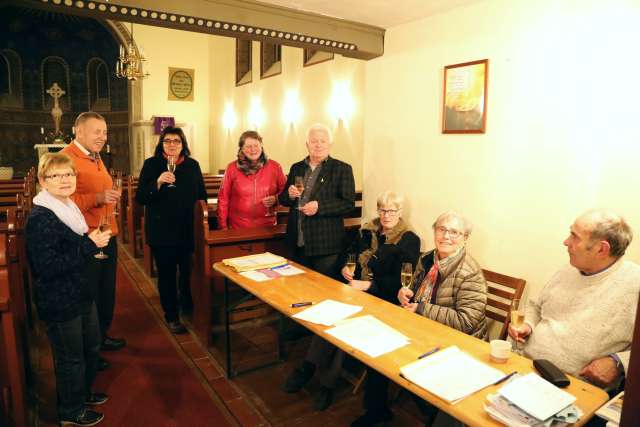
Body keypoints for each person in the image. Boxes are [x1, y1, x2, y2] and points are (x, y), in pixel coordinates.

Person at [282, 191, 420, 411]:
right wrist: (346, 265)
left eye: (392, 210)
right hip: (353, 290)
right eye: (382, 209)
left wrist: (369, 286)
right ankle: (307, 368)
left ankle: (326, 384)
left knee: (346, 326)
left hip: (381, 298)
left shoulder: (409, 240)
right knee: (328, 318)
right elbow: (349, 252)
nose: (386, 215)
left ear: (400, 212)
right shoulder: (367, 230)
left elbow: (403, 280)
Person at [352, 211, 487, 427]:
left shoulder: (469, 272)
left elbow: (467, 321)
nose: (446, 236)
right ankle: (376, 410)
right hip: (422, 327)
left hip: (456, 341)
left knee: (413, 365)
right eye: (441, 229)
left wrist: (421, 308)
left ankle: (433, 415)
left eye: (454, 232)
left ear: (465, 238)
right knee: (377, 348)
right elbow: (414, 288)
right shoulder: (428, 258)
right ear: (434, 231)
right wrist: (405, 293)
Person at [509, 209, 639, 391]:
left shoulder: (634, 284)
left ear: (602, 249)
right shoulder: (570, 268)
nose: (566, 242)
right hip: (526, 367)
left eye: (574, 236)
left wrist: (618, 363)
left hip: (575, 387)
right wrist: (528, 325)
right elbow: (536, 306)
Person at [26, 153, 111, 426]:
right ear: (43, 181)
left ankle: (82, 394)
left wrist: (89, 242)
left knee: (91, 347)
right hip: (60, 299)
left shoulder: (67, 206)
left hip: (79, 291)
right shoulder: (41, 216)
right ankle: (71, 412)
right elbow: (48, 266)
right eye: (56, 175)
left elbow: (71, 249)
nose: (64, 180)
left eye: (69, 174)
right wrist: (90, 244)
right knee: (70, 358)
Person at [61, 111, 126, 362]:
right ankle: (91, 350)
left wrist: (107, 196)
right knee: (91, 295)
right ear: (79, 131)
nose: (103, 136)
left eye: (105, 132)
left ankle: (101, 336)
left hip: (107, 233)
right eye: (97, 131)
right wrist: (98, 198)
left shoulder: (95, 157)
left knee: (106, 291)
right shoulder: (67, 158)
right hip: (88, 239)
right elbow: (63, 201)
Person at [135, 127, 207, 334]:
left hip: (186, 230)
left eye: (177, 141)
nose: (172, 144)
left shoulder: (193, 166)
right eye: (168, 141)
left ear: (183, 143)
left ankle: (187, 304)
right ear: (161, 143)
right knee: (166, 274)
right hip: (162, 231)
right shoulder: (152, 164)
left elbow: (201, 195)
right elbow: (141, 197)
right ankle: (172, 315)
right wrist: (157, 182)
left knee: (186, 272)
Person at [278, 123, 355, 279]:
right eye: (314, 141)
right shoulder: (297, 167)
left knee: (325, 292)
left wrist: (320, 207)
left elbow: (348, 203)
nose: (318, 145)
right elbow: (284, 199)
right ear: (307, 144)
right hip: (298, 240)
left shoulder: (342, 169)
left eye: (322, 141)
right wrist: (290, 194)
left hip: (325, 244)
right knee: (298, 289)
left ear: (330, 144)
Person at [217, 130, 286, 230]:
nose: (253, 149)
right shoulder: (232, 168)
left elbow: (286, 192)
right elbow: (223, 199)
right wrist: (223, 227)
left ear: (261, 146)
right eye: (248, 146)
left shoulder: (275, 167)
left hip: (268, 227)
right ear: (242, 149)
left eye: (256, 145)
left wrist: (276, 198)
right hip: (238, 227)